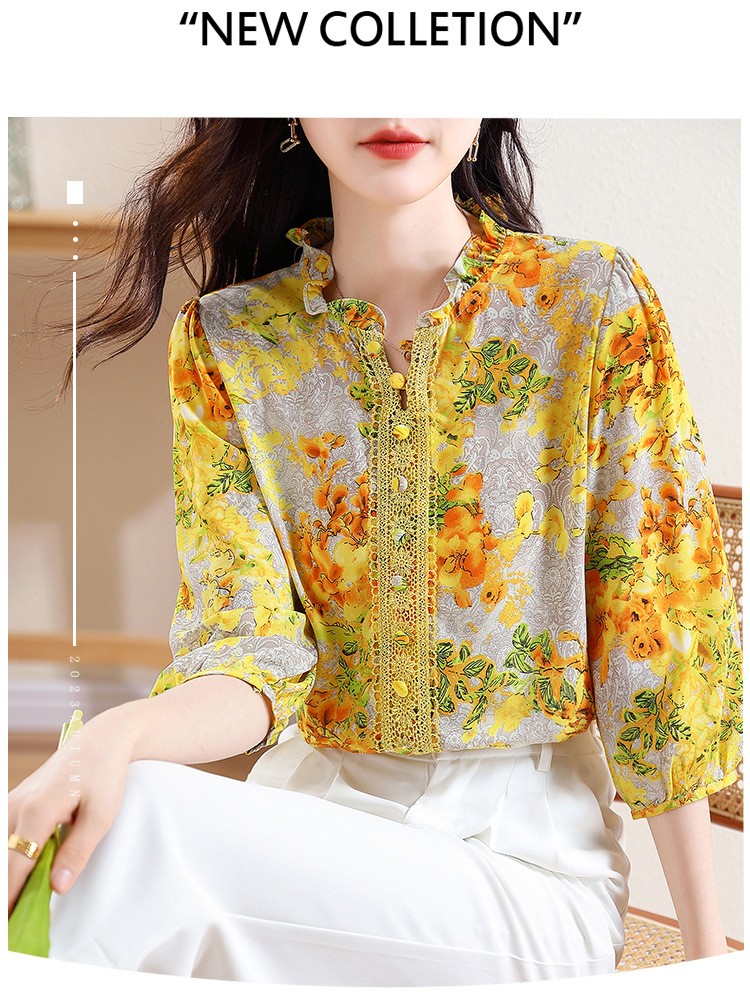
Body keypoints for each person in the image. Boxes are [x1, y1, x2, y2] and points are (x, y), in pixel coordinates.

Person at [8, 118, 743, 985]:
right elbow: (249, 652)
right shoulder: (229, 341)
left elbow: (657, 649)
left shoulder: (588, 301)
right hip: (308, 834)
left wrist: (706, 961)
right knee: (102, 825)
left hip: (525, 865)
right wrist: (115, 736)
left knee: (129, 839)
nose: (393, 99)